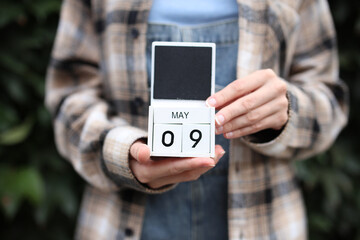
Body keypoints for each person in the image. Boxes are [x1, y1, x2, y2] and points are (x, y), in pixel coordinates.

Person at [45, 0, 348, 239]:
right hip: (118, 220)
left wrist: (286, 111)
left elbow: (329, 102)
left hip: (264, 222)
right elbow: (69, 96)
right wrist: (123, 151)